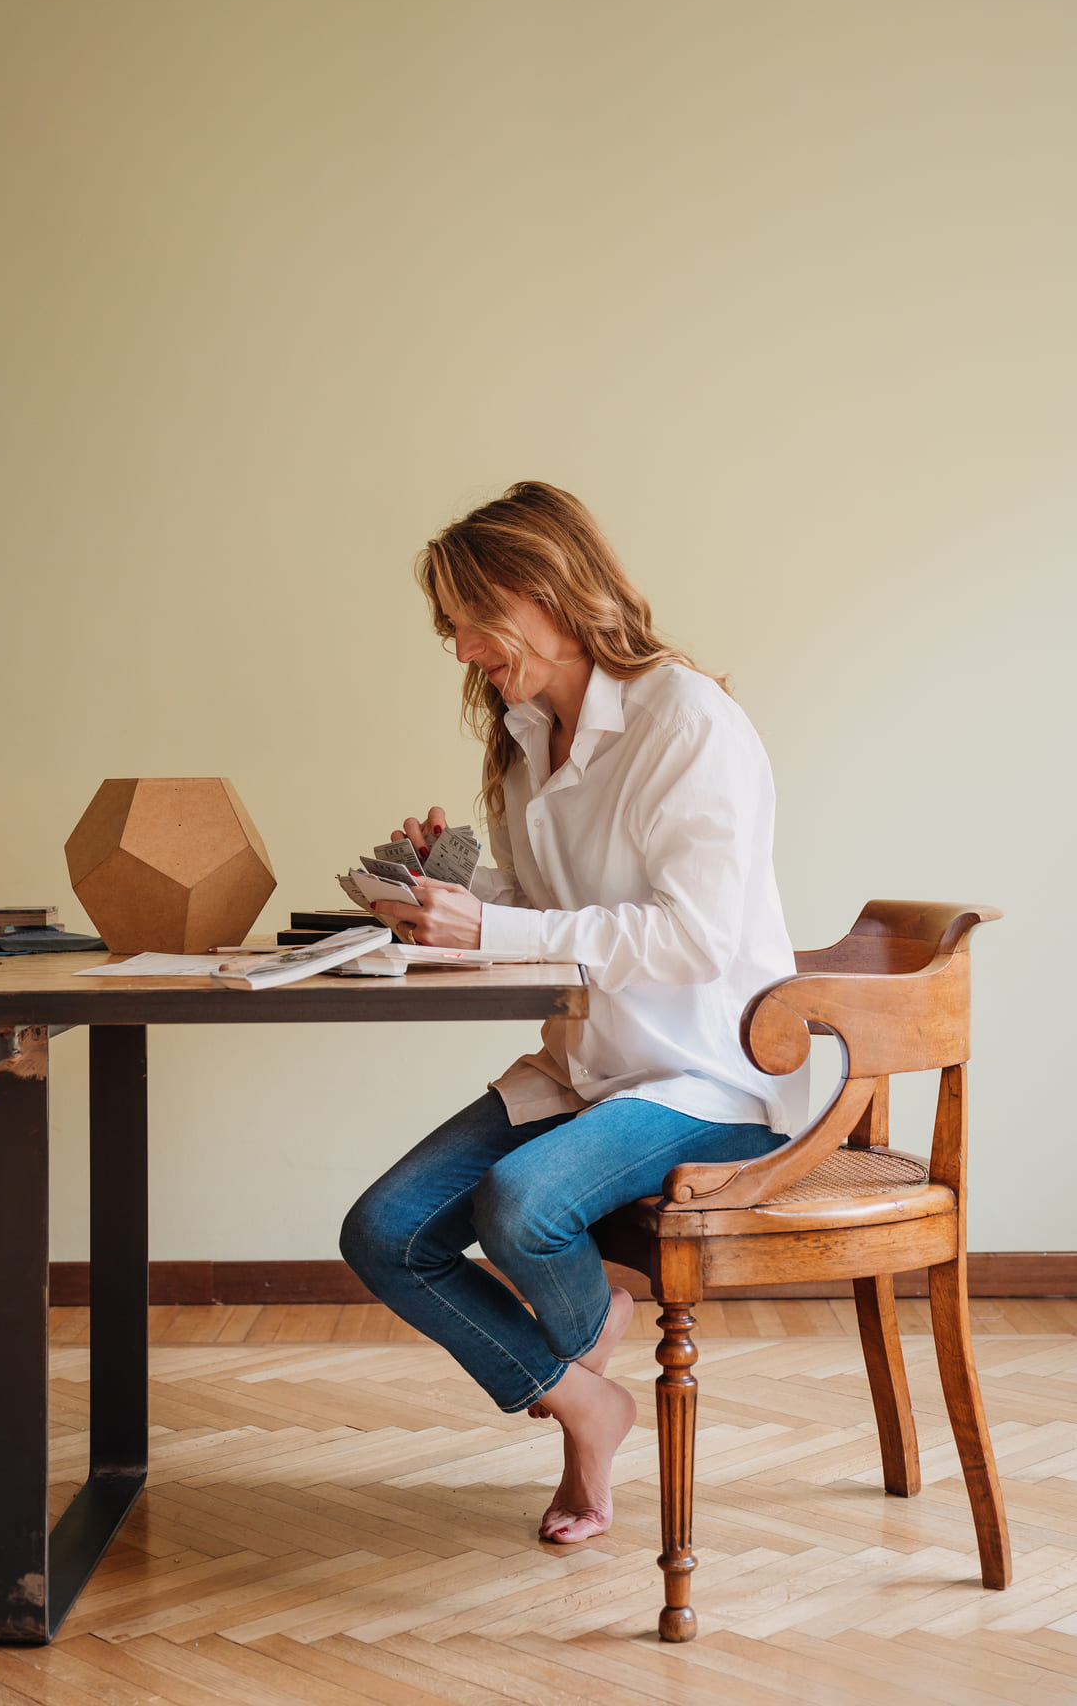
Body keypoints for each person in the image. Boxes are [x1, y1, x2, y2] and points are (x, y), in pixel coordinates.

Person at [339, 480, 808, 1544]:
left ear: (541, 590)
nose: (460, 649)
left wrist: (489, 930)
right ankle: (587, 1388)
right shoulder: (521, 736)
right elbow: (555, 913)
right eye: (450, 627)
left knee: (520, 1204)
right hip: (585, 1068)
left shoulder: (686, 722)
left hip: (703, 1075)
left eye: (470, 619)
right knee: (382, 1232)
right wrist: (446, 890)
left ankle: (582, 1363)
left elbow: (690, 936)